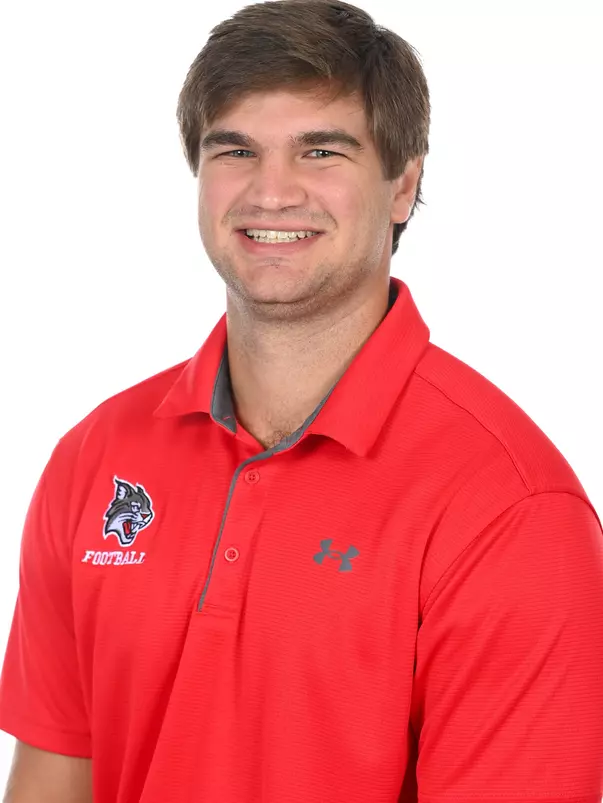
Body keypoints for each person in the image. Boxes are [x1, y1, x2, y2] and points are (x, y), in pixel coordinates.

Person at [1, 0, 602, 801]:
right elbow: (53, 780)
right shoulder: (96, 455)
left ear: (402, 185)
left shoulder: (509, 508)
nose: (271, 192)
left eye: (321, 150)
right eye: (236, 149)